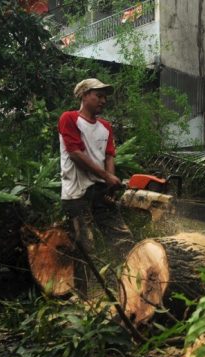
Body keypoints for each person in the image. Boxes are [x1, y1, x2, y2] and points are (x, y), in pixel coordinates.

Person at [58, 78, 134, 291]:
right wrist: (106, 176)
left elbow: (109, 156)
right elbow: (75, 154)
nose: (103, 100)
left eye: (105, 97)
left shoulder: (106, 127)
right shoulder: (70, 119)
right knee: (85, 245)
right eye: (98, 95)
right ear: (84, 95)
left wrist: (110, 183)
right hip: (77, 194)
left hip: (100, 190)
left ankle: (129, 283)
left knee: (121, 237)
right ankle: (84, 296)